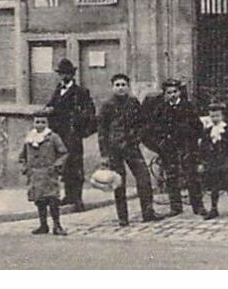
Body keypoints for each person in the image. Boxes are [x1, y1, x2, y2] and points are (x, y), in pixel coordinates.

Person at [97, 73, 162, 225]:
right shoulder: (107, 105)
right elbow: (102, 131)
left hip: (132, 147)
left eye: (123, 85)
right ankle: (123, 217)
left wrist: (137, 137)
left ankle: (148, 212)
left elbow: (143, 123)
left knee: (144, 178)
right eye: (117, 85)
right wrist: (104, 154)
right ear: (112, 87)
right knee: (118, 183)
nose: (120, 88)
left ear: (128, 87)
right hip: (114, 149)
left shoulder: (133, 103)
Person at [144, 78, 205, 216]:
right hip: (169, 148)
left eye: (175, 92)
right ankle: (175, 207)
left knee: (192, 176)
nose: (172, 95)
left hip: (187, 147)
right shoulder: (161, 109)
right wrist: (160, 145)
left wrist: (193, 141)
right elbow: (153, 129)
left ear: (180, 92)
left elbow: (198, 127)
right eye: (169, 92)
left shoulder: (188, 107)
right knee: (172, 176)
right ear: (165, 94)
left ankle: (198, 206)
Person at [42, 58, 97, 210]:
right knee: (64, 165)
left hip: (73, 134)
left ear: (72, 75)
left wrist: (81, 126)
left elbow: (89, 111)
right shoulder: (58, 90)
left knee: (75, 165)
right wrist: (48, 109)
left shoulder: (80, 92)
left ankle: (78, 199)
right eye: (61, 74)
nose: (64, 76)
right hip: (59, 134)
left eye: (67, 73)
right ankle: (68, 196)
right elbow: (51, 104)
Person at [19, 110, 70, 236]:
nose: (40, 124)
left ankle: (57, 226)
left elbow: (63, 153)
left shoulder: (53, 137)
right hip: (35, 175)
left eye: (43, 122)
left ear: (47, 123)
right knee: (39, 201)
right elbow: (22, 156)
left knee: (53, 200)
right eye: (37, 122)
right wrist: (24, 167)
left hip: (49, 174)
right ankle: (43, 225)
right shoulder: (29, 138)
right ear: (33, 123)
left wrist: (57, 166)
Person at [198, 96, 228, 219]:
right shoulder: (208, 130)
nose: (214, 119)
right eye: (212, 116)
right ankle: (214, 208)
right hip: (213, 162)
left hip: (225, 162)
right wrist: (202, 162)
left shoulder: (226, 130)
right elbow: (203, 147)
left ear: (222, 116)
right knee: (214, 188)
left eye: (217, 116)